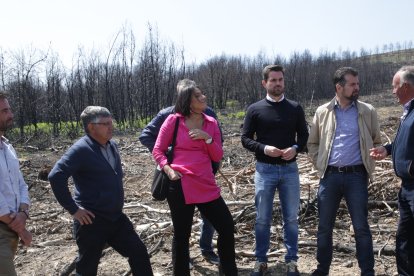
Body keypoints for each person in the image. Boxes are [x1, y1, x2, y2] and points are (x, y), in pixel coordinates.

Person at [48, 106, 153, 276]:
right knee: (87, 268)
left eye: (111, 122)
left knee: (138, 252)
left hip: (116, 217)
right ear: (91, 127)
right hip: (91, 221)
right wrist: (74, 209)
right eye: (105, 124)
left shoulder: (111, 145)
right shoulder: (80, 149)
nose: (111, 127)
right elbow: (56, 176)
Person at [152, 79, 237, 275]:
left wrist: (206, 138)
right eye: (198, 96)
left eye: (202, 94)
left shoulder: (211, 123)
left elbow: (217, 155)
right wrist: (168, 169)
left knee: (226, 227)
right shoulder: (173, 121)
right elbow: (158, 150)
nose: (203, 97)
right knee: (182, 235)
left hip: (206, 184)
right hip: (180, 185)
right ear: (188, 102)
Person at [307, 67, 381, 276]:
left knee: (361, 227)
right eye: (352, 84)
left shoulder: (367, 110)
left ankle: (367, 271)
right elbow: (312, 143)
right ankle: (322, 269)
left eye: (357, 84)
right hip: (329, 176)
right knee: (324, 227)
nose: (357, 88)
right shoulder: (323, 111)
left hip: (357, 176)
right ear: (339, 87)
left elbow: (376, 140)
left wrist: (373, 154)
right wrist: (319, 162)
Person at [139, 91, 222, 266]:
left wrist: (208, 144)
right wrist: (169, 158)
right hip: (180, 179)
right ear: (184, 98)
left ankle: (207, 249)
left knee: (215, 221)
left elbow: (217, 146)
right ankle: (185, 260)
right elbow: (148, 138)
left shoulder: (210, 115)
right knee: (182, 230)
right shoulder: (168, 115)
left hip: (206, 177)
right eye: (196, 95)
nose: (203, 97)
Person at [241, 65, 309, 276]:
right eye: (273, 80)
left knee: (291, 218)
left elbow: (304, 137)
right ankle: (260, 261)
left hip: (289, 170)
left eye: (280, 79)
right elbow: (245, 139)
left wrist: (296, 148)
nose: (278, 83)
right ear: (264, 83)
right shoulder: (255, 109)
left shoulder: (295, 108)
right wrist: (264, 148)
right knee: (262, 218)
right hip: (264, 170)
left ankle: (291, 262)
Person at [370, 66, 414, 276]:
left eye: (395, 87)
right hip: (406, 189)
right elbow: (403, 142)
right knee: (404, 238)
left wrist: (411, 168)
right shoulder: (408, 111)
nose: (393, 91)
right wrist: (388, 150)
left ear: (405, 86)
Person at [0, 92, 32, 276]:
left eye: (9, 109)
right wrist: (22, 229)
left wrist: (23, 212)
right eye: (4, 111)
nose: (11, 115)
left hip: (10, 227)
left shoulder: (8, 147)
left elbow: (21, 184)